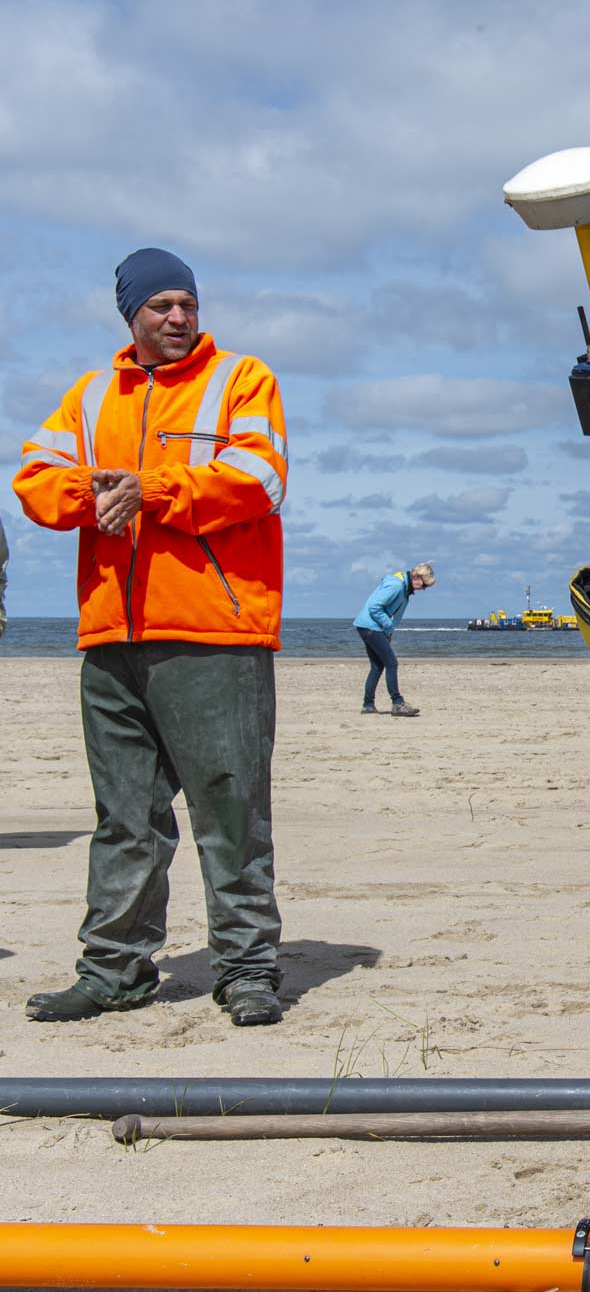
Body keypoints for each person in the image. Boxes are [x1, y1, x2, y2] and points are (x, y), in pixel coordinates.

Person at [12, 248, 291, 1027]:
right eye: (161, 306)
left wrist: (152, 489)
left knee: (229, 808)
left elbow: (262, 476)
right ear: (130, 313)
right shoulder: (91, 393)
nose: (177, 318)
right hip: (109, 636)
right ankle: (114, 969)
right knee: (125, 814)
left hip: (216, 632)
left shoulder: (241, 379)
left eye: (187, 305)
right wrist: (94, 490)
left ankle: (245, 969)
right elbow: (33, 476)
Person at [354, 562, 435, 716]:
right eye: (424, 585)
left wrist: (388, 632)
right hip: (371, 626)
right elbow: (375, 607)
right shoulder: (396, 585)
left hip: (370, 626)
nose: (424, 588)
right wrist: (388, 626)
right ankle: (397, 703)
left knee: (377, 666)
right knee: (391, 663)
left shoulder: (404, 588)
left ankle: (368, 705)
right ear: (417, 578)